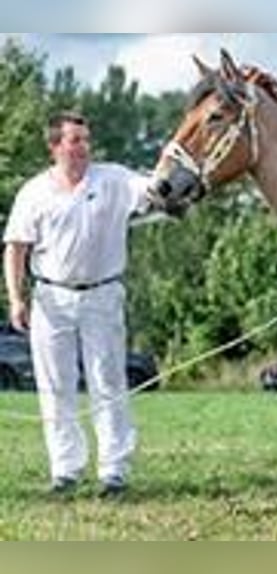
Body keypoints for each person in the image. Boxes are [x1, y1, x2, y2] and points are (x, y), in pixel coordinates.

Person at [3, 111, 153, 497]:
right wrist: (17, 298)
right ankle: (65, 470)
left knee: (109, 381)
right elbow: (16, 248)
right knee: (55, 386)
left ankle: (114, 471)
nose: (84, 148)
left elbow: (154, 189)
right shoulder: (34, 192)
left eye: (86, 140)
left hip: (103, 294)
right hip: (51, 297)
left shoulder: (114, 179)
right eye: (75, 140)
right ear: (55, 147)